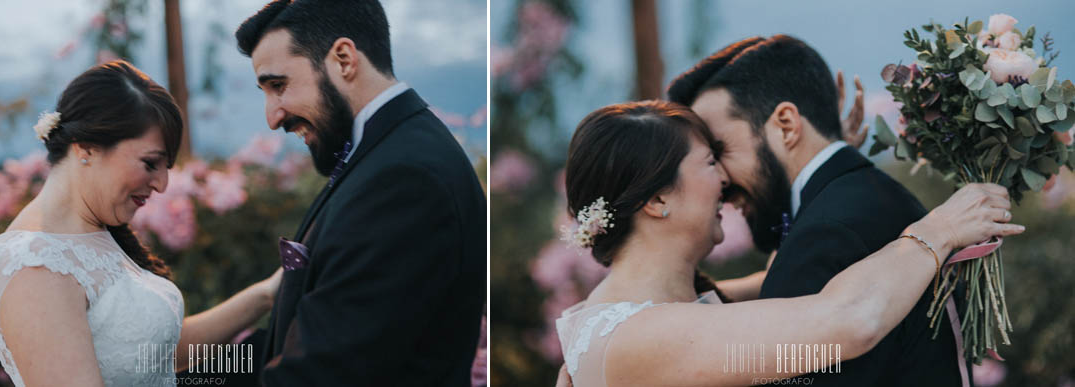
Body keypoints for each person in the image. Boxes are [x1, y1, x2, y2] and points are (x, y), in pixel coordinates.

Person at [553, 100, 1021, 386]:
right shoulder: (637, 337)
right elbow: (848, 320)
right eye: (710, 160)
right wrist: (941, 230)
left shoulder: (649, 309)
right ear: (657, 198)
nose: (725, 179)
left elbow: (769, 282)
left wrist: (817, 167)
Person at [668, 35, 971, 385]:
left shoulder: (824, 236)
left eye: (721, 151)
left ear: (786, 124)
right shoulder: (869, 196)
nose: (719, 179)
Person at [233, 0, 486, 385]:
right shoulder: (384, 155)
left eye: (279, 85)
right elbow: (289, 340)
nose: (272, 117)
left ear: (345, 59)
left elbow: (319, 372)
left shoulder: (405, 179)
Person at [0, 60, 282, 386]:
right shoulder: (37, 266)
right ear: (87, 148)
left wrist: (267, 294)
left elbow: (154, 353)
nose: (163, 184)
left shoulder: (95, 230)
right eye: (151, 163)